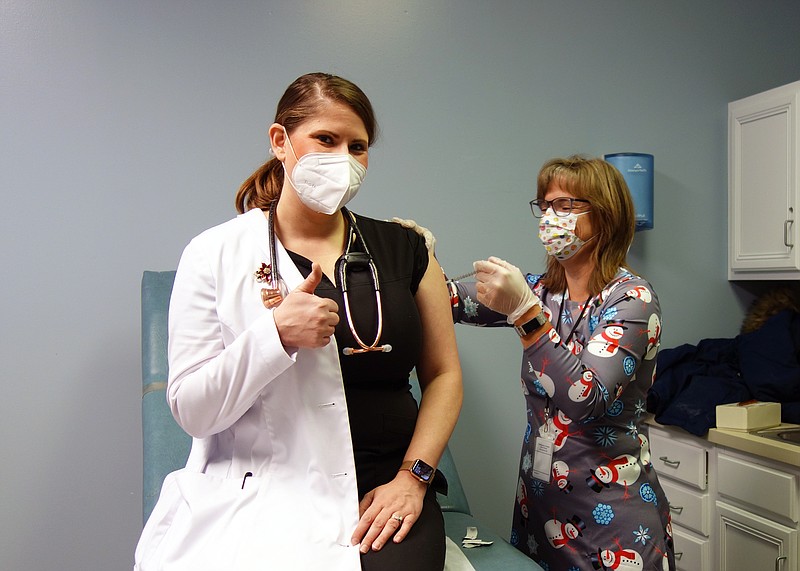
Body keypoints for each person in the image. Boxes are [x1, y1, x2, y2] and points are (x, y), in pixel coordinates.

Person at [134, 72, 463, 571]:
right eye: (326, 140)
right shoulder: (215, 254)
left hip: (385, 489)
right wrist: (274, 336)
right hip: (267, 482)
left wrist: (413, 480)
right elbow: (191, 410)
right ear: (280, 141)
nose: (344, 160)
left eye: (359, 147)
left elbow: (443, 375)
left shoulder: (407, 249)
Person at [403, 155, 674, 570]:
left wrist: (526, 316)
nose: (550, 217)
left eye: (566, 206)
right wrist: (419, 262)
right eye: (545, 205)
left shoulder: (632, 300)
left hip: (613, 521)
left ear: (604, 216)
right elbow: (446, 302)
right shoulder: (542, 292)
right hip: (540, 511)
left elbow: (587, 397)